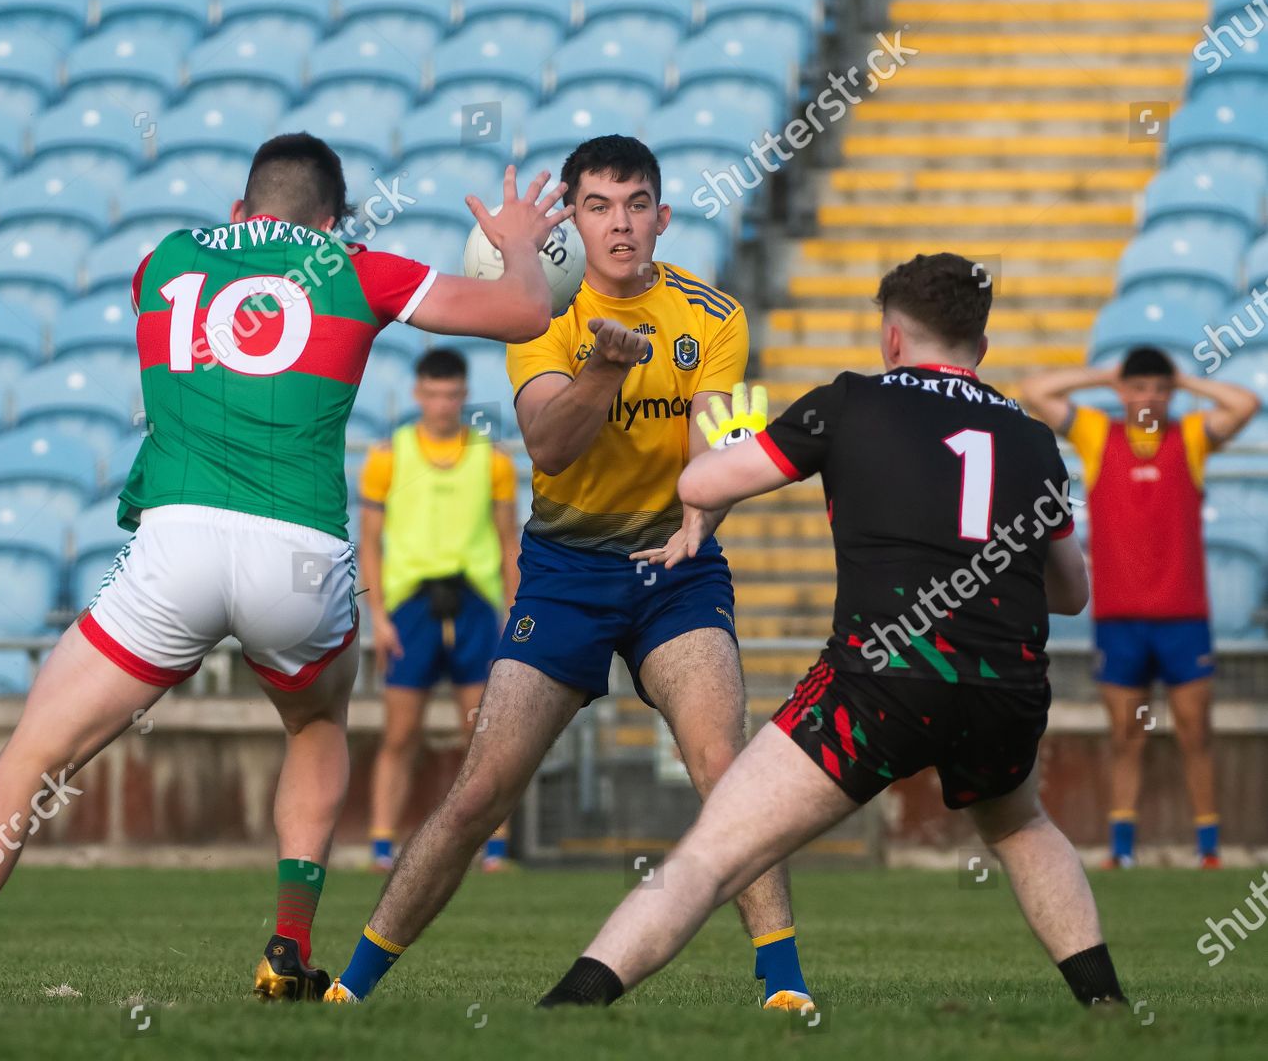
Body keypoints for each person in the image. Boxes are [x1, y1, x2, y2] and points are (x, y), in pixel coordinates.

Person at [0, 133, 572, 1008]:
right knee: (316, 723)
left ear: (240, 209)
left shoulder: (161, 260)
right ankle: (289, 943)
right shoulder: (358, 266)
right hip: (297, 556)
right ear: (333, 223)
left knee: (33, 756)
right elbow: (526, 311)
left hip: (173, 546)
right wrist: (520, 242)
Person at [536, 252, 1128, 1011]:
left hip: (879, 682)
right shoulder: (1033, 440)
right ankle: (1105, 1003)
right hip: (1003, 686)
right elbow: (1072, 593)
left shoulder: (848, 403)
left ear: (890, 340)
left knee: (714, 853)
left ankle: (573, 1005)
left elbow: (698, 485)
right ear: (981, 347)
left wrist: (734, 437)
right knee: (1020, 828)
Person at [322, 135, 815, 1011]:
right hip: (563, 572)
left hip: (679, 569)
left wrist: (702, 517)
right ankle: (354, 985)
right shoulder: (541, 311)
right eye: (598, 206)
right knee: (481, 788)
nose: (619, 224)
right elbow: (548, 444)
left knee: (721, 763)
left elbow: (717, 447)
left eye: (635, 206)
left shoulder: (714, 315)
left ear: (662, 218)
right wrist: (606, 365)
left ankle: (782, 982)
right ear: (574, 223)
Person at [1021, 351, 1258, 868]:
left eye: (1159, 389)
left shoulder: (1191, 437)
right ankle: (1121, 850)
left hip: (1184, 619)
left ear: (1171, 393)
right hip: (1119, 621)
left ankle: (1209, 850)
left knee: (1197, 734)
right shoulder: (1095, 435)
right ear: (1122, 391)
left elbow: (1245, 403)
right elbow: (1035, 391)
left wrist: (1185, 379)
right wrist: (1106, 376)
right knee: (1126, 737)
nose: (1148, 397)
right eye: (1137, 387)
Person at [360, 347, 521, 873]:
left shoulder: (492, 459)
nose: (442, 404)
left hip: (474, 603)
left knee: (484, 732)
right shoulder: (388, 456)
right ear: (417, 394)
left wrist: (513, 612)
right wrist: (379, 617)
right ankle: (383, 842)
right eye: (433, 393)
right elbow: (369, 542)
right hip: (412, 606)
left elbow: (507, 541)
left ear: (464, 395)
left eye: (452, 394)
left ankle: (494, 845)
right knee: (401, 733)